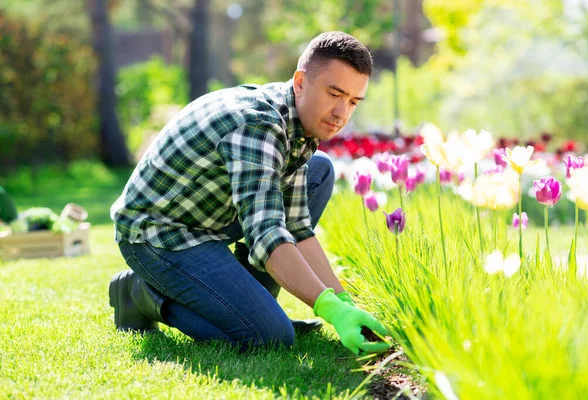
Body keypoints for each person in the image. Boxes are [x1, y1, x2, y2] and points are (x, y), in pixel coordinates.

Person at [109, 31, 390, 355]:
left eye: (353, 101)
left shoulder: (299, 124)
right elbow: (268, 235)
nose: (342, 113)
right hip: (159, 233)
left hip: (210, 213)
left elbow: (295, 227)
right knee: (269, 336)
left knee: (320, 170)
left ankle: (246, 307)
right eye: (334, 94)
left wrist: (344, 302)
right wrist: (332, 311)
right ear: (300, 81)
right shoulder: (258, 126)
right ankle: (141, 294)